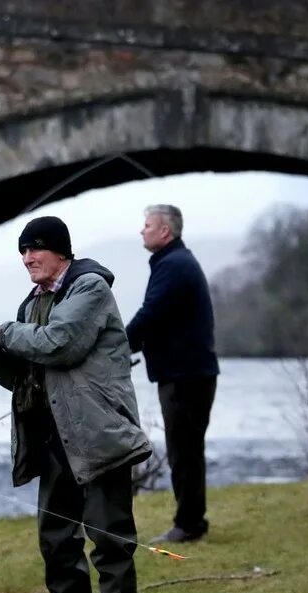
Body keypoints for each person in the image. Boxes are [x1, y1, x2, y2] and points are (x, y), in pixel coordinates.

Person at [0, 215, 152, 593]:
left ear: (61, 250)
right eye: (23, 251)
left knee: (110, 545)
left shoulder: (90, 290)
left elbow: (60, 344)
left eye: (36, 249)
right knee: (57, 545)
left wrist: (1, 331)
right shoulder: (31, 306)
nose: (27, 258)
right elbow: (22, 376)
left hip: (98, 439)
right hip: (52, 443)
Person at [125, 205, 219, 544]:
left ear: (165, 231)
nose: (142, 231)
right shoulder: (174, 263)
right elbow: (158, 318)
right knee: (187, 449)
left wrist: (117, 347)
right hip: (189, 373)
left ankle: (189, 524)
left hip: (186, 375)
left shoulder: (173, 266)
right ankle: (190, 521)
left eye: (147, 225)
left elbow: (150, 315)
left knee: (184, 451)